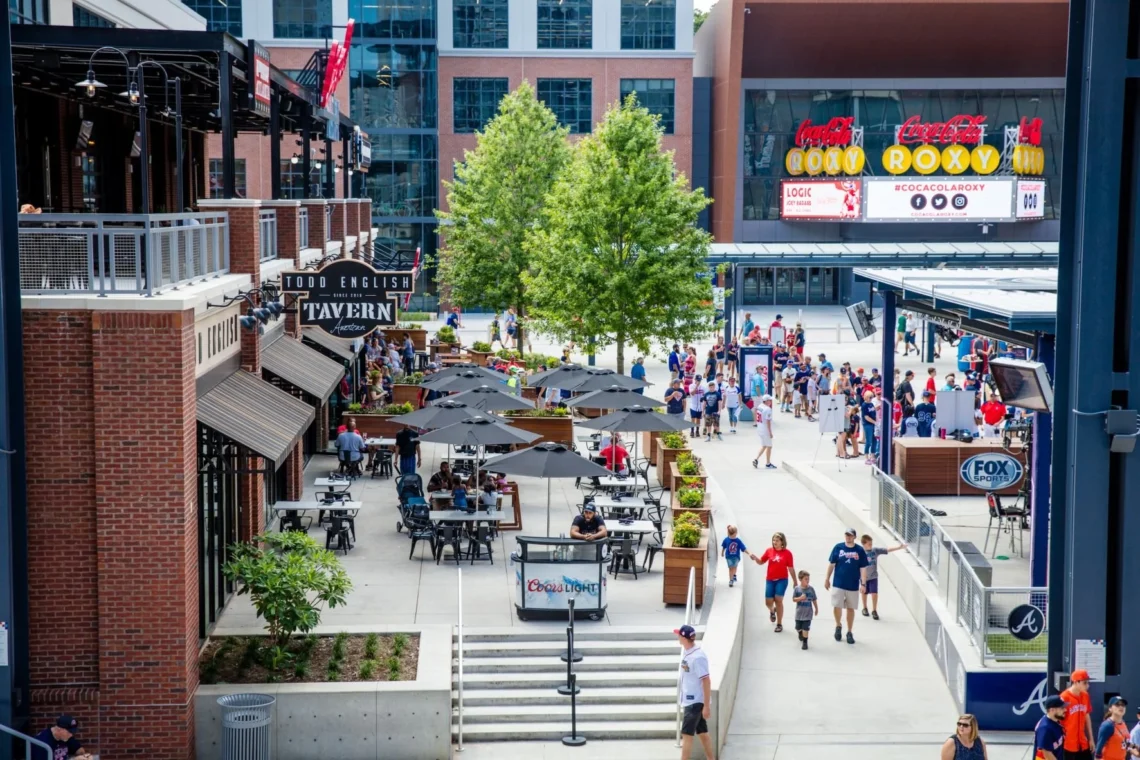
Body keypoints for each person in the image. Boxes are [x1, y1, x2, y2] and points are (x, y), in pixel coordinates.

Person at [674, 624, 714, 760]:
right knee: (702, 732)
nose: (677, 637)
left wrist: (707, 706)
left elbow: (706, 681)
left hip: (694, 702)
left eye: (679, 635)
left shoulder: (697, 657)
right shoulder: (688, 652)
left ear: (684, 638)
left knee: (687, 735)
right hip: (691, 701)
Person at [824, 528, 869, 645]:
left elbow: (863, 568)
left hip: (853, 584)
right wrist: (827, 579)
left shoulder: (859, 550)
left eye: (850, 535)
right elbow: (832, 564)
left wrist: (863, 584)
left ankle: (849, 631)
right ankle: (838, 625)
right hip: (838, 583)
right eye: (846, 535)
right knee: (837, 605)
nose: (848, 537)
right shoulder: (838, 547)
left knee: (850, 608)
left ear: (854, 537)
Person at [755, 532, 796, 633]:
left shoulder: (787, 553)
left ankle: (779, 624)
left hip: (782, 580)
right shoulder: (769, 551)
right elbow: (761, 561)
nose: (775, 542)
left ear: (782, 542)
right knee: (768, 602)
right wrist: (755, 558)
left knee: (778, 600)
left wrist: (795, 581)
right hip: (770, 580)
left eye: (777, 541)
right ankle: (772, 611)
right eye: (774, 540)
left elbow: (790, 568)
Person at [859, 534, 905, 618]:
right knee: (864, 593)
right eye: (869, 544)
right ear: (863, 544)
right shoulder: (860, 553)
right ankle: (865, 608)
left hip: (873, 576)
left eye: (871, 544)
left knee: (874, 593)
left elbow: (887, 550)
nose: (871, 546)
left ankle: (874, 610)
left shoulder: (875, 550)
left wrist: (899, 547)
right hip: (864, 577)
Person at [1062, 669, 1097, 760]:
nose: (1087, 685)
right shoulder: (1064, 697)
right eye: (1084, 683)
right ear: (1076, 682)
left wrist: (1091, 738)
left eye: (1088, 682)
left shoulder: (1085, 695)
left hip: (1083, 742)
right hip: (1068, 744)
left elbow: (1087, 716)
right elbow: (1059, 720)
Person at [790, 570, 818, 650]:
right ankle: (800, 632)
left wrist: (816, 608)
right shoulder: (797, 589)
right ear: (800, 579)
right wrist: (800, 598)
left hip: (808, 613)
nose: (807, 580)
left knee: (806, 628)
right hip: (799, 613)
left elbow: (814, 599)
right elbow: (793, 599)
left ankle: (805, 643)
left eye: (808, 579)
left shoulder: (811, 589)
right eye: (806, 579)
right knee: (798, 627)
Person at [1036, 695, 1068, 760]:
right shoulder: (1045, 729)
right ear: (1052, 710)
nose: (1065, 710)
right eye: (1062, 708)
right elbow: (1047, 754)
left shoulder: (1055, 721)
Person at [752, 394, 775, 469]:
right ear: (766, 401)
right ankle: (768, 463)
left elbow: (755, 413)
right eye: (770, 400)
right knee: (769, 446)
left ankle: (756, 459)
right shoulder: (768, 409)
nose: (771, 401)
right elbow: (768, 422)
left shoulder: (760, 406)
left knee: (764, 445)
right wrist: (770, 433)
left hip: (760, 428)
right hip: (765, 430)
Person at [861, 390, 879, 463]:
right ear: (865, 397)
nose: (871, 398)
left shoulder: (871, 404)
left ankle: (872, 455)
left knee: (874, 440)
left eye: (872, 397)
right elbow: (866, 417)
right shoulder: (864, 405)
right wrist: (874, 422)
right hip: (868, 424)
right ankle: (866, 457)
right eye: (869, 397)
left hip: (873, 423)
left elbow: (874, 412)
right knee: (868, 441)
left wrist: (876, 421)